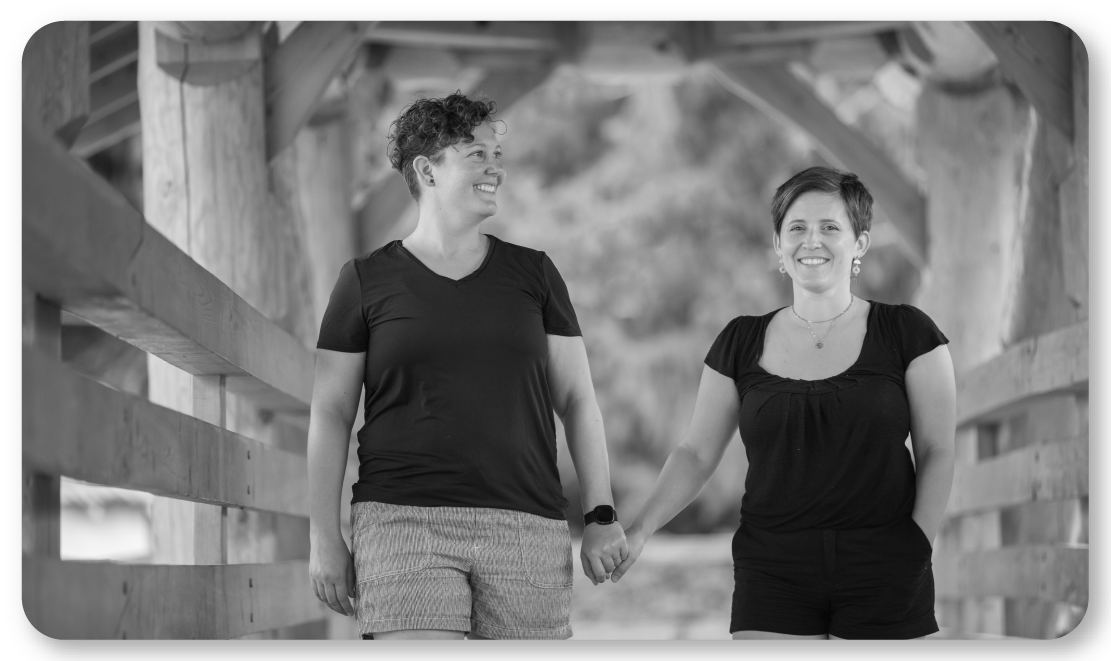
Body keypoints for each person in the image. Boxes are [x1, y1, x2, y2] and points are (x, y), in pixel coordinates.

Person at [307, 92, 627, 640]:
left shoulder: (536, 275)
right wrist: (323, 535)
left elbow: (577, 400)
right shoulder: (364, 281)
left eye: (496, 155)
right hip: (403, 522)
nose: (494, 168)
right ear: (427, 171)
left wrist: (600, 515)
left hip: (527, 526)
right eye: (475, 154)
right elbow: (332, 411)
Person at [612, 166, 956, 640]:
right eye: (796, 228)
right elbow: (696, 452)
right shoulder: (740, 340)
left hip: (886, 564)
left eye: (830, 227)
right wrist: (641, 529)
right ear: (778, 245)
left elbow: (938, 449)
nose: (810, 241)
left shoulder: (909, 333)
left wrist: (917, 546)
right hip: (771, 572)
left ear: (859, 243)